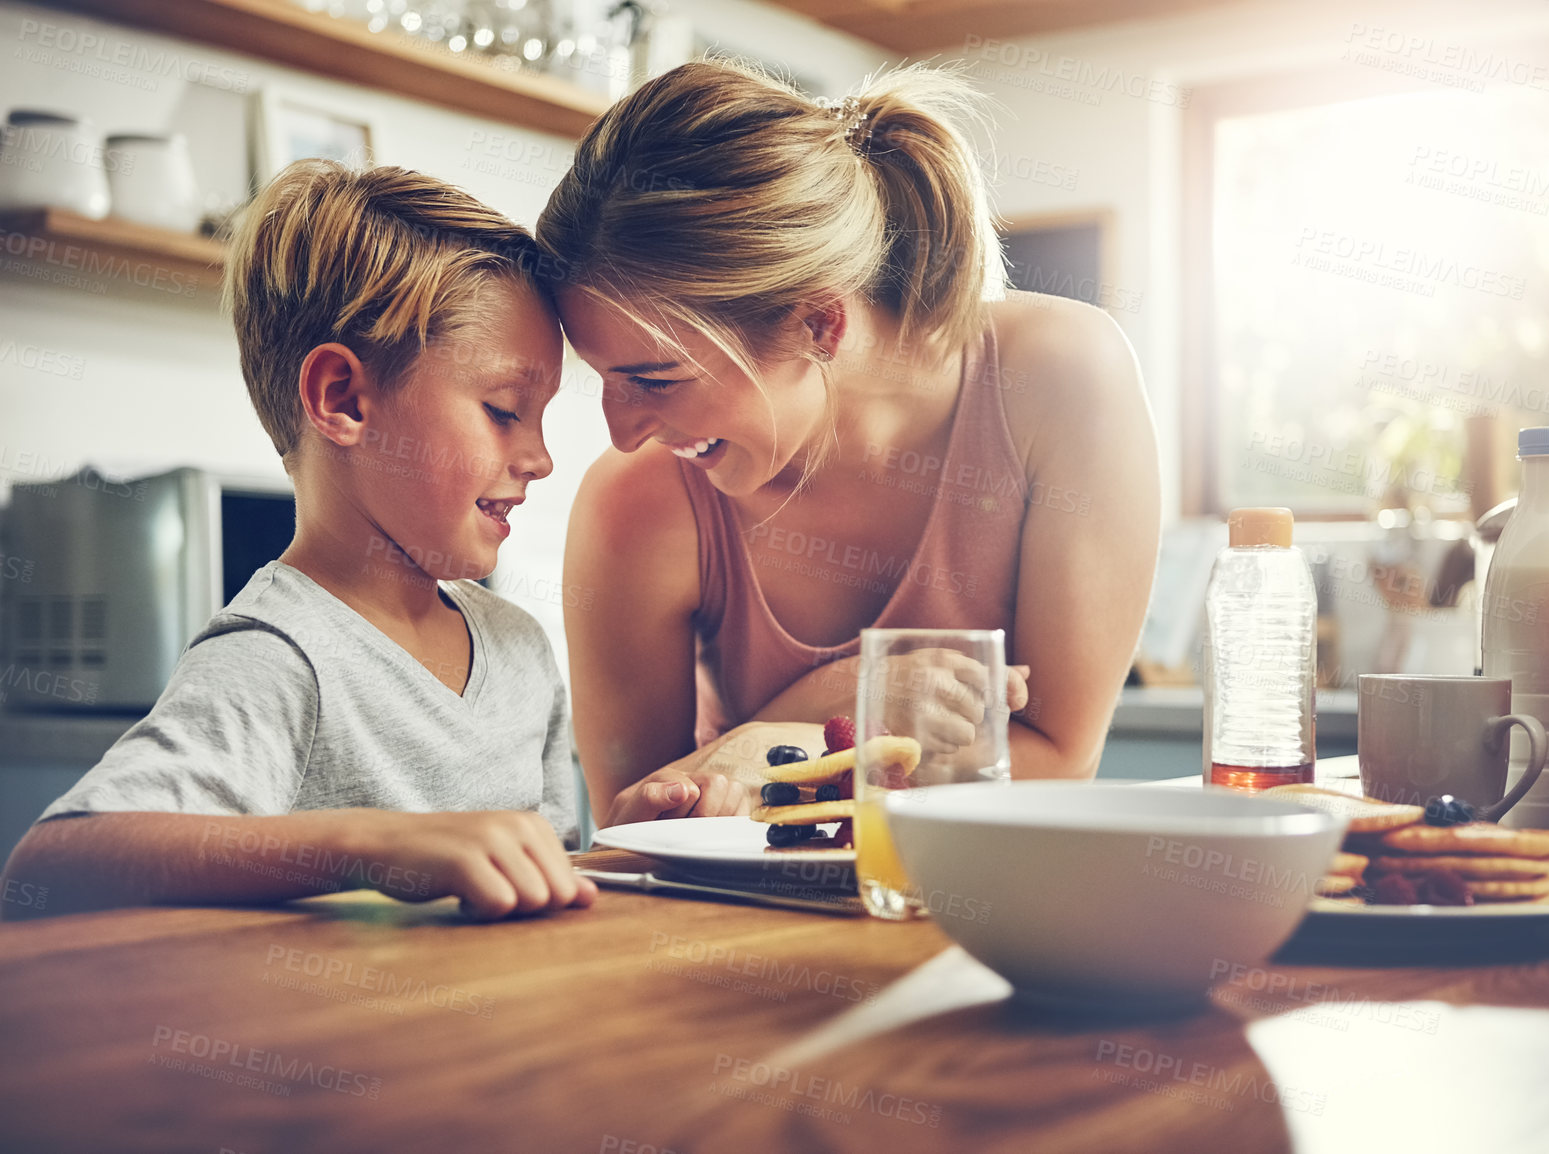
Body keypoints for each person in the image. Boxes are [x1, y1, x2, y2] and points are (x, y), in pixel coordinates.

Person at [0, 160, 740, 922]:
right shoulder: (278, 655)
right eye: (503, 409)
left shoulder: (518, 648)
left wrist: (632, 843)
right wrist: (368, 844)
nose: (541, 458)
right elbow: (55, 864)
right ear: (343, 399)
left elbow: (540, 890)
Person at [538, 61, 1161, 823]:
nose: (622, 432)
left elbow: (1056, 766)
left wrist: (760, 754)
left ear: (817, 324)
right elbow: (637, 828)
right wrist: (848, 698)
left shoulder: (1061, 379)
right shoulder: (637, 498)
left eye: (657, 379)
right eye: (601, 377)